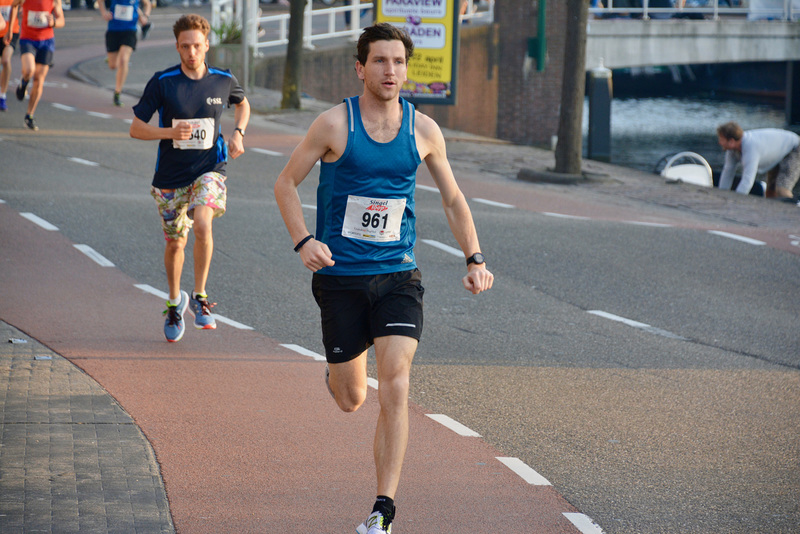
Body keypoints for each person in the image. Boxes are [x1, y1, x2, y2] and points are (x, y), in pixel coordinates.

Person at [274, 23, 494, 534]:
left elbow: (453, 198)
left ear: (406, 69)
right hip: (341, 278)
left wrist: (474, 258)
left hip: (398, 275)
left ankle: (383, 510)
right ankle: (337, 373)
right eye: (379, 61)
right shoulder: (333, 125)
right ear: (361, 67)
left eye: (398, 62)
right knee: (352, 398)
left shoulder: (424, 130)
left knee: (396, 381)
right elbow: (285, 182)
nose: (390, 70)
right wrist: (304, 240)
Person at [130, 13, 251, 342]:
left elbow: (243, 105)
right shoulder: (163, 81)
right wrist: (169, 131)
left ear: (207, 45)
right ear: (177, 47)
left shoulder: (223, 80)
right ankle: (174, 301)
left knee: (202, 224)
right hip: (170, 176)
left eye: (197, 46)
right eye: (185, 46)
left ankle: (199, 298)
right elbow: (136, 128)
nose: (192, 52)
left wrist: (238, 133)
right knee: (175, 243)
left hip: (209, 169)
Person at [10, 0, 64, 130]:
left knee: (39, 79)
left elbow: (61, 20)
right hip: (28, 39)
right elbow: (13, 6)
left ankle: (29, 115)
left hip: (46, 41)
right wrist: (10, 29)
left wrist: (54, 22)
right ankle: (24, 83)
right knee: (29, 70)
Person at [717, 121, 800, 199]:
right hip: (775, 154)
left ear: (731, 141)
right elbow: (728, 171)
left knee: (781, 190)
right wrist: (722, 196)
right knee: (770, 192)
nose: (719, 142)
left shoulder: (750, 147)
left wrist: (737, 201)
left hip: (794, 148)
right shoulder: (732, 150)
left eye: (721, 139)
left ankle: (793, 209)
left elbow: (748, 179)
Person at [99, 0, 151, 106]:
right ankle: (112, 58)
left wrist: (145, 16)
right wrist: (104, 12)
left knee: (124, 60)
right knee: (113, 65)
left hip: (130, 30)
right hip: (113, 30)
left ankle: (117, 92)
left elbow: (147, 3)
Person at [0, 0, 19, 111]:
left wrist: (10, 30)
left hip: (10, 32)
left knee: (6, 60)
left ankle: (2, 95)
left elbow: (16, 7)